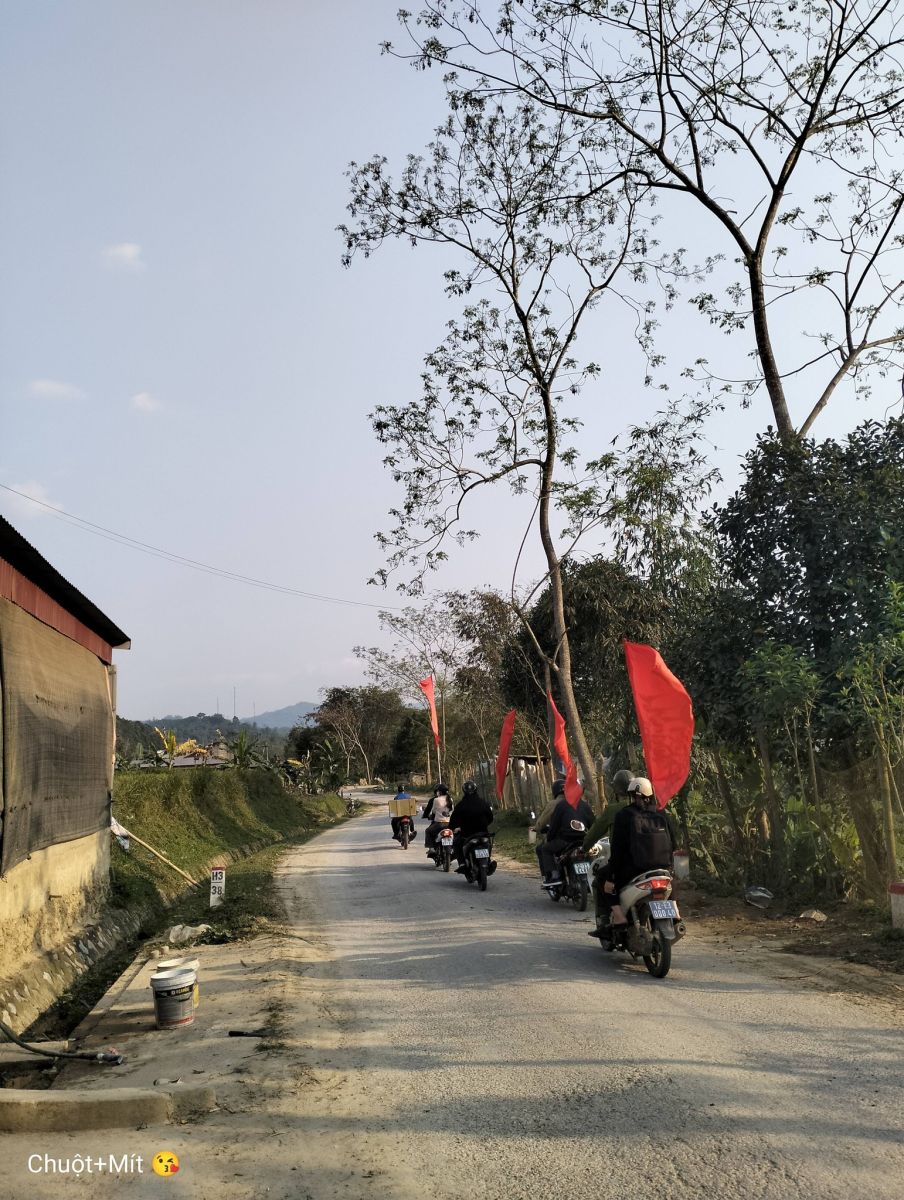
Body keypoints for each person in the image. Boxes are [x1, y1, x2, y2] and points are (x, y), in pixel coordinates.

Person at [590, 776, 677, 939]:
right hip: (662, 868)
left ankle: (619, 917)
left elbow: (617, 850)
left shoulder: (624, 815)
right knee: (670, 883)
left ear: (630, 795)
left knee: (601, 877)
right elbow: (674, 843)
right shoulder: (661, 813)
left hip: (633, 870)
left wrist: (611, 877)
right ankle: (677, 917)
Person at [536, 780, 595, 885]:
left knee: (545, 849)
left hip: (565, 841)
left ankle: (555, 876)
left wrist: (549, 838)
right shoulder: (584, 805)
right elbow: (593, 824)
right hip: (583, 841)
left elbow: (554, 826)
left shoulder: (560, 805)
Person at [581, 769, 633, 852]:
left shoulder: (612, 810)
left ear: (616, 790)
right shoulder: (645, 806)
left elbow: (594, 834)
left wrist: (584, 849)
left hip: (622, 858)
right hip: (647, 856)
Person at [449, 779, 494, 869]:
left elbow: (453, 820)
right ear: (476, 790)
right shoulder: (483, 803)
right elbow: (490, 817)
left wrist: (454, 827)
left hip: (467, 833)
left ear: (464, 791)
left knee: (456, 843)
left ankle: (462, 864)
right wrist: (484, 825)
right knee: (488, 844)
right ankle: (488, 861)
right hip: (483, 832)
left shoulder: (461, 805)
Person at [422, 783, 453, 854]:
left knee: (428, 831)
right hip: (449, 823)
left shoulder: (436, 800)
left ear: (440, 792)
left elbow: (433, 811)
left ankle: (431, 848)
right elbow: (452, 810)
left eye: (438, 791)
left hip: (439, 824)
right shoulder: (450, 799)